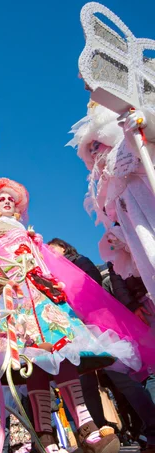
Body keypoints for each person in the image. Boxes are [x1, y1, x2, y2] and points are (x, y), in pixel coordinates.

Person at [0, 178, 138, 453]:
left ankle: (85, 426)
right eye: (1, 199)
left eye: (11, 199)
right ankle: (46, 438)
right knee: (34, 360)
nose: (7, 202)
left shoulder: (28, 233)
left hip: (45, 297)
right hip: (17, 300)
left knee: (65, 351)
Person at [48, 239, 155, 453]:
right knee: (85, 385)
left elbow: (93, 288)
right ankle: (96, 442)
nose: (49, 252)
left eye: (52, 248)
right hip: (74, 331)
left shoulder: (80, 262)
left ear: (64, 247)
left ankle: (153, 431)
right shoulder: (48, 272)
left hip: (99, 325)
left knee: (122, 378)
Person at [68, 103, 155, 303]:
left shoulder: (128, 149)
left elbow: (146, 144)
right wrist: (120, 239)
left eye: (97, 144)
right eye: (90, 150)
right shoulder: (105, 187)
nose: (94, 153)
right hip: (142, 241)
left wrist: (144, 123)